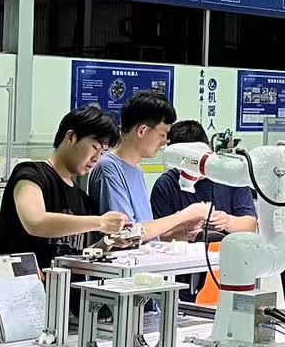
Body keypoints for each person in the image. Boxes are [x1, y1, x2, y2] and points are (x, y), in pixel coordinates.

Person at [0, 106, 129, 267]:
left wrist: (109, 241)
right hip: (26, 281)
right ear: (71, 137)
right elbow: (35, 222)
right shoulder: (30, 174)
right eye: (95, 148)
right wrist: (100, 222)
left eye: (102, 153)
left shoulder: (82, 199)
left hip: (65, 282)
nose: (96, 159)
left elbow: (82, 255)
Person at [88, 91, 209, 240]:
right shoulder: (109, 168)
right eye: (162, 135)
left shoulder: (136, 170)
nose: (164, 142)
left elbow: (145, 231)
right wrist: (185, 215)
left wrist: (183, 228)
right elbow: (126, 235)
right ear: (142, 130)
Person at [149, 120, 258, 242]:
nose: (189, 169)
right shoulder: (166, 184)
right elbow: (159, 236)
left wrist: (226, 221)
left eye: (193, 162)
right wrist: (185, 231)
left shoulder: (231, 177)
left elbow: (250, 226)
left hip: (227, 249)